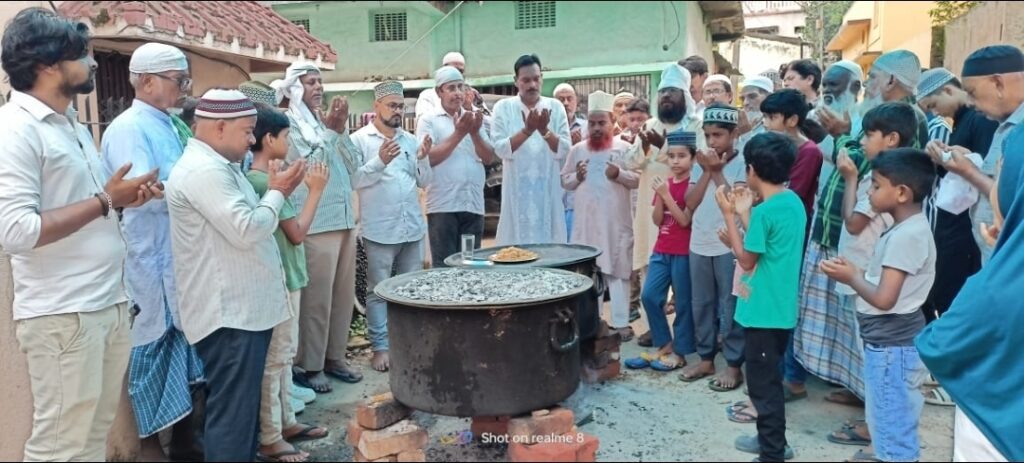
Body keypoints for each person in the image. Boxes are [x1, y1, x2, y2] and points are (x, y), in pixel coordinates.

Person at [0, 9, 161, 461]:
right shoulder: (15, 130)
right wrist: (107, 201)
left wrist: (126, 198)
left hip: (104, 304)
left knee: (89, 441)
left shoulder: (70, 125)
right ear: (48, 65)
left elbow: (91, 205)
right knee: (59, 447)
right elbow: (16, 230)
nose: (92, 64)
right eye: (82, 55)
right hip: (63, 314)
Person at [166, 89, 306, 461]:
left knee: (241, 420)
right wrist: (277, 193)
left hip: (242, 313)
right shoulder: (204, 171)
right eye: (247, 131)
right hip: (230, 317)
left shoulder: (221, 168)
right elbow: (246, 228)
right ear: (220, 127)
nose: (250, 140)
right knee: (232, 419)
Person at [796, 49, 928, 411]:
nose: (867, 84)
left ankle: (876, 411)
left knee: (868, 333)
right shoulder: (880, 116)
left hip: (867, 246)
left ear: (890, 81)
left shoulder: (906, 120)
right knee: (852, 330)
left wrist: (840, 135)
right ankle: (860, 392)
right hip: (848, 236)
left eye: (872, 78)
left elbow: (865, 167)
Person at [916, 44, 1024, 462]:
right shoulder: (1003, 127)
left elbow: (943, 344)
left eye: (975, 93)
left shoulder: (999, 291)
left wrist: (968, 173)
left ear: (999, 82)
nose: (973, 104)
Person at [99, 42, 205, 461]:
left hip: (180, 259)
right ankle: (147, 449)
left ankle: (182, 442)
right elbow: (143, 191)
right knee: (154, 354)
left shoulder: (171, 123)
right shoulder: (129, 127)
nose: (185, 88)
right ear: (146, 82)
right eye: (179, 81)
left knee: (185, 357)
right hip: (151, 262)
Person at [822, 149, 937, 463]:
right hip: (890, 346)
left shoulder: (907, 236)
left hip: (892, 349)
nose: (869, 192)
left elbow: (885, 299)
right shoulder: (905, 229)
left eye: (875, 186)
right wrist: (855, 273)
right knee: (888, 422)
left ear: (901, 193)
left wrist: (852, 277)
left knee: (892, 431)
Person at [272, 62, 364, 393]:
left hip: (343, 218)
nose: (318, 88)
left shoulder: (324, 124)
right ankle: (310, 365)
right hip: (314, 223)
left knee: (342, 297)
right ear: (295, 88)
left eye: (320, 82)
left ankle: (335, 357)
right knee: (317, 300)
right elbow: (308, 165)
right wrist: (330, 132)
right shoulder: (289, 125)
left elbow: (354, 164)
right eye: (310, 82)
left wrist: (338, 132)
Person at [246, 106, 331, 462]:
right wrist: (315, 191)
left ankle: (286, 423)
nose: (291, 142)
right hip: (279, 277)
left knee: (283, 357)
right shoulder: (262, 182)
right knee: (276, 358)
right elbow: (296, 234)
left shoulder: (265, 178)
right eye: (286, 136)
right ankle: (270, 436)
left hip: (286, 276)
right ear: (270, 140)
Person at [720, 132, 806, 463]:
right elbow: (766, 241)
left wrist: (729, 215)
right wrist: (744, 214)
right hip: (780, 309)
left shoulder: (767, 211)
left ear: (752, 169)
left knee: (763, 388)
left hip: (762, 312)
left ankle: (772, 454)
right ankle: (770, 442)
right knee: (770, 379)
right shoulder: (791, 202)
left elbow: (747, 259)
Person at [352, 81, 434, 372]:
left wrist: (423, 159)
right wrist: (379, 161)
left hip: (410, 227)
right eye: (392, 105)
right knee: (378, 291)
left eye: (401, 106)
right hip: (379, 230)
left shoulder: (411, 141)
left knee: (411, 289)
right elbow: (355, 181)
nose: (398, 111)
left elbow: (424, 182)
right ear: (376, 106)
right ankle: (381, 348)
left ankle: (410, 345)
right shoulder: (360, 141)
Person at [626, 63, 702, 344]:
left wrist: (663, 146)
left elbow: (696, 161)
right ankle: (654, 329)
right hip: (651, 211)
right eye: (662, 92)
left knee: (683, 278)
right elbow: (631, 162)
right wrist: (646, 147)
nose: (666, 97)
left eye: (672, 91)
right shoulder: (649, 125)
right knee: (649, 270)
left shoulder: (696, 125)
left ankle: (685, 336)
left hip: (682, 211)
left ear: (684, 94)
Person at [917, 67, 998, 324]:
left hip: (969, 231)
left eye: (934, 104)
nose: (935, 112)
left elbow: (987, 171)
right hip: (955, 224)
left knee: (953, 298)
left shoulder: (980, 120)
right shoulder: (963, 122)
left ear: (949, 90)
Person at [677, 104, 746, 392]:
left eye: (718, 135)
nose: (712, 141)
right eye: (707, 136)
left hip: (728, 244)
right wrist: (706, 170)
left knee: (729, 306)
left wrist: (717, 171)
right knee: (701, 303)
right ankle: (706, 358)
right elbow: (690, 203)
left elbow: (737, 203)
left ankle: (732, 365)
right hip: (699, 242)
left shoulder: (744, 163)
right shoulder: (699, 164)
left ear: (733, 134)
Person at [561, 90, 640, 340]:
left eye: (601, 123)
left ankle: (620, 323)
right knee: (589, 274)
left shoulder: (626, 149)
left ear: (612, 122)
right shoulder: (577, 150)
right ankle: (592, 322)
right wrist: (578, 176)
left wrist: (619, 175)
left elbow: (638, 180)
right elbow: (565, 181)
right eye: (592, 123)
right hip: (587, 223)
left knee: (618, 270)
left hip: (616, 222)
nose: (596, 128)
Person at [624, 130, 696, 372]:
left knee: (683, 302)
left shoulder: (691, 186)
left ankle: (681, 351)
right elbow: (658, 220)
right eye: (672, 156)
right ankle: (664, 343)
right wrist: (661, 196)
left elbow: (684, 221)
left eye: (682, 156)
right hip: (662, 248)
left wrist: (666, 195)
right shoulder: (664, 184)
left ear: (693, 159)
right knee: (649, 296)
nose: (676, 161)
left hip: (683, 251)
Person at [418, 66, 495, 267]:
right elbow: (428, 158)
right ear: (439, 92)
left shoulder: (475, 117)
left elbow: (488, 157)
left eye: (461, 87)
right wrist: (459, 133)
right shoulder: (428, 120)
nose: (458, 93)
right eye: (451, 88)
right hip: (443, 207)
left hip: (473, 206)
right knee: (444, 270)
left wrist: (475, 132)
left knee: (470, 267)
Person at [491, 54, 571, 245]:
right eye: (526, 80)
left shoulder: (555, 107)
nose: (532, 85)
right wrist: (527, 131)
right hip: (516, 195)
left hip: (548, 195)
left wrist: (544, 131)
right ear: (516, 81)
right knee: (514, 253)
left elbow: (565, 150)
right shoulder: (503, 107)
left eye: (536, 79)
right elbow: (500, 149)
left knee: (551, 254)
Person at [760, 89, 824, 235]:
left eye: (772, 117)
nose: (765, 123)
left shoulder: (809, 152)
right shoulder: (775, 146)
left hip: (790, 228)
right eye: (764, 117)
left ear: (792, 120)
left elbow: (792, 194)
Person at [554, 82, 587, 241]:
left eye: (569, 99)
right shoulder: (546, 129)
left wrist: (579, 146)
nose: (565, 103)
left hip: (577, 200)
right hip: (554, 197)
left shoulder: (586, 128)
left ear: (576, 101)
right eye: (561, 99)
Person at [415, 51, 484, 123]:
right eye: (453, 70)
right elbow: (423, 124)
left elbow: (487, 124)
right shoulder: (427, 96)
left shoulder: (472, 94)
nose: (457, 74)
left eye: (460, 71)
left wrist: (468, 108)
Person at [737, 76, 773, 144]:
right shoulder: (739, 125)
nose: (745, 103)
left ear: (768, 97)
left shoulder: (776, 127)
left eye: (752, 96)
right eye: (742, 99)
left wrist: (746, 134)